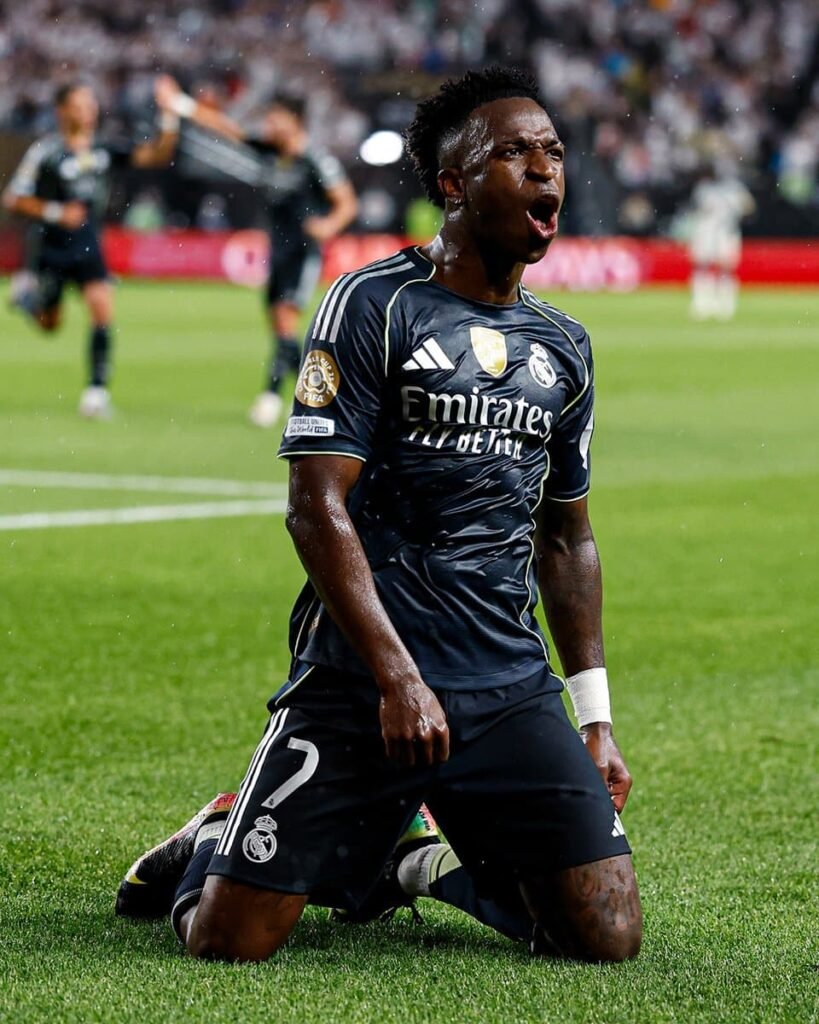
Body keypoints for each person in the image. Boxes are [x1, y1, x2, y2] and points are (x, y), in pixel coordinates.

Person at [117, 66, 642, 964]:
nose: (543, 170)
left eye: (552, 153)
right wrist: (397, 678)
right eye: (514, 153)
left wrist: (593, 718)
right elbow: (313, 505)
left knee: (605, 937)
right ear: (452, 183)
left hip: (505, 681)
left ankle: (411, 861)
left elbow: (566, 537)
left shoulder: (563, 345)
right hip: (362, 676)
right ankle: (215, 836)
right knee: (228, 943)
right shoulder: (373, 304)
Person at [162, 82, 359, 427]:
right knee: (281, 330)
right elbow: (225, 127)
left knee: (285, 322)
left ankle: (272, 397)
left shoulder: (314, 160)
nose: (269, 125)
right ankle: (324, 396)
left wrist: (328, 226)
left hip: (302, 253)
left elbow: (346, 202)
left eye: (275, 119)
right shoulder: (268, 152)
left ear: (295, 122)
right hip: (277, 251)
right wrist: (181, 104)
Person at [2, 78, 181, 418]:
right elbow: (13, 198)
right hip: (50, 248)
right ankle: (29, 300)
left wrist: (170, 116)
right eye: (80, 105)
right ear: (62, 111)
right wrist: (56, 212)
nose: (89, 111)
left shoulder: (104, 148)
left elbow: (157, 155)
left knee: (102, 310)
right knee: (49, 325)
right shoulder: (46, 151)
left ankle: (96, 393)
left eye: (91, 104)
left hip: (88, 246)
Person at [688, 164, 755, 321]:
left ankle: (723, 304)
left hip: (724, 232)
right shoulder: (706, 188)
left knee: (724, 268)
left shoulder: (732, 188)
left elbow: (749, 208)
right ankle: (703, 303)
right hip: (708, 231)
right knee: (704, 266)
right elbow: (749, 208)